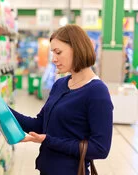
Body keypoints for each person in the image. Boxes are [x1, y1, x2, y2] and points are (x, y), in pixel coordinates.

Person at [10, 24, 113, 175]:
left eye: (58, 52)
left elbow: (100, 149)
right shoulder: (60, 84)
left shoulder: (97, 92)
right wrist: (3, 110)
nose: (54, 59)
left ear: (77, 49)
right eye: (53, 53)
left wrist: (48, 140)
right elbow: (39, 125)